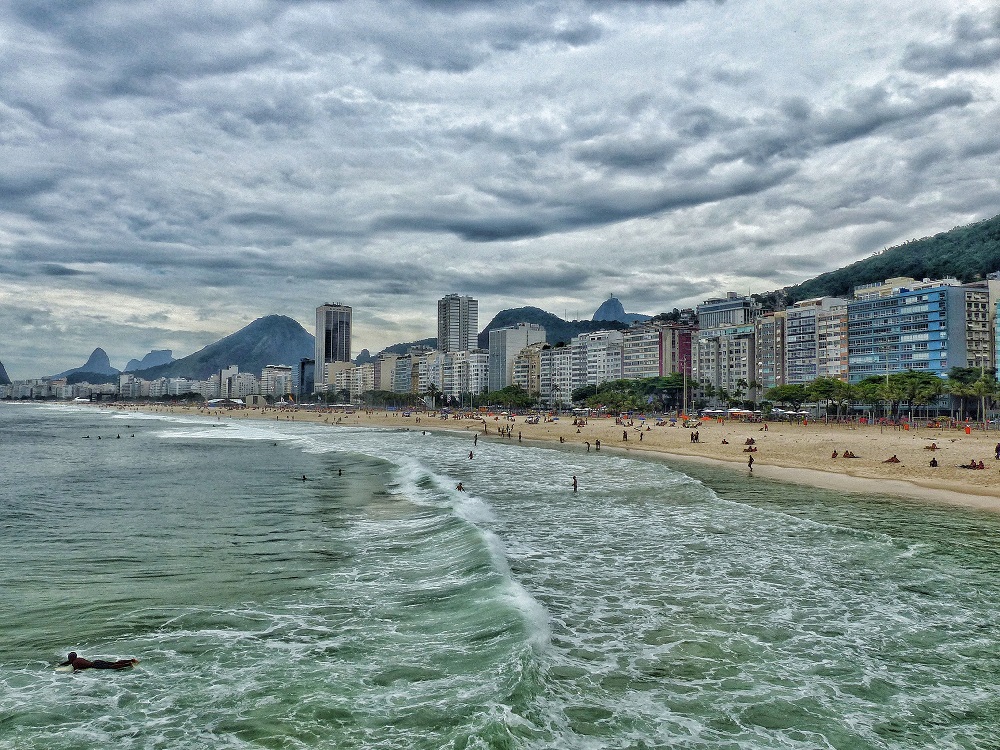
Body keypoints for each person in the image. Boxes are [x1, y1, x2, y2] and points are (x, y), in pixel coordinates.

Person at [59, 652, 138, 671]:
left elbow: (76, 670)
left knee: (112, 667)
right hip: (96, 662)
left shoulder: (75, 662)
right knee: (113, 663)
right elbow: (68, 662)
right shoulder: (78, 659)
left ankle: (128, 664)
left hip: (95, 666)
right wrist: (60, 665)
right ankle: (131, 660)